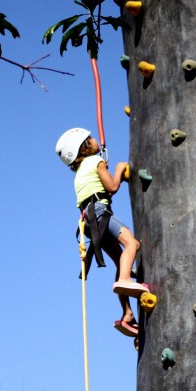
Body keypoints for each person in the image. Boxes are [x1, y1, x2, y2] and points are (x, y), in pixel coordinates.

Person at [55, 127, 146, 337]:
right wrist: (119, 169)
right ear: (84, 147)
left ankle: (127, 315)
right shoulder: (95, 162)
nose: (95, 140)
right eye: (90, 139)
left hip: (88, 222)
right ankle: (125, 279)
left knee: (120, 259)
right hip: (99, 213)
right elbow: (112, 186)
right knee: (132, 244)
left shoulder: (78, 174)